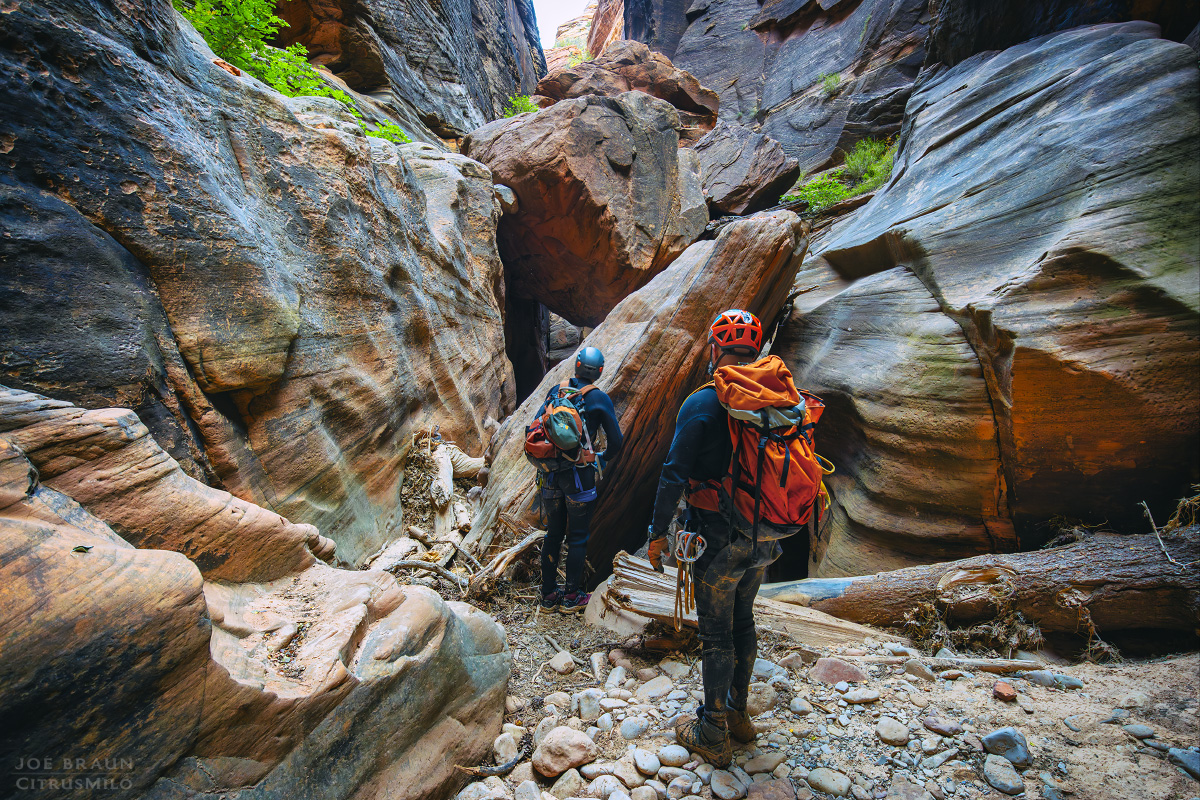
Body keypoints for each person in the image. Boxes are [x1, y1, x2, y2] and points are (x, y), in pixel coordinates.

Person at [645, 309, 778, 767]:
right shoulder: (771, 401)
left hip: (716, 537)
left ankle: (712, 732)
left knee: (717, 634)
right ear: (753, 353)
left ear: (716, 349)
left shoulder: (703, 403)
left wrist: (657, 534)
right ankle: (738, 715)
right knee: (744, 622)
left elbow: (672, 474)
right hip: (763, 535)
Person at [539, 346, 623, 614]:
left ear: (576, 366)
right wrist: (600, 456)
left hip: (550, 474)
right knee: (577, 537)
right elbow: (616, 442)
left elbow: (539, 424)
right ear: (599, 371)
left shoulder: (557, 391)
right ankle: (572, 596)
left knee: (553, 534)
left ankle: (548, 595)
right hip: (579, 477)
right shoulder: (599, 398)